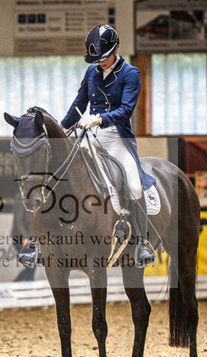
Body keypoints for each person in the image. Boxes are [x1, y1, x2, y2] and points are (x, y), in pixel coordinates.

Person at [60, 24, 156, 268]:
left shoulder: (130, 73)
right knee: (64, 172)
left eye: (104, 58)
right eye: (97, 60)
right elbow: (79, 104)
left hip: (116, 137)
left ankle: (141, 241)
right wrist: (63, 128)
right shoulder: (91, 72)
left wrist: (100, 119)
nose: (100, 63)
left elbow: (126, 110)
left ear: (116, 49)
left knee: (134, 184)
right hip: (90, 135)